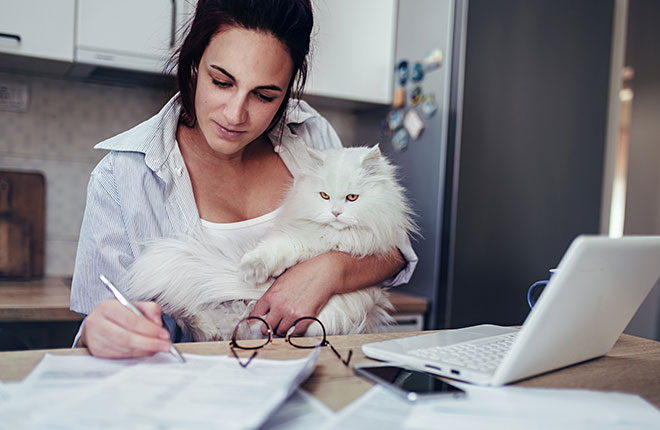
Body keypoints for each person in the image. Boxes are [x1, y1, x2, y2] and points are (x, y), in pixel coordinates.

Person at [70, 0, 418, 359]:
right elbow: (95, 328)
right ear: (194, 61)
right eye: (221, 82)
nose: (235, 114)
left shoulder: (312, 135)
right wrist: (99, 333)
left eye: (265, 95)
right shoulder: (121, 176)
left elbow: (395, 253)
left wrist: (330, 269)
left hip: (315, 375)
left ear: (288, 89)